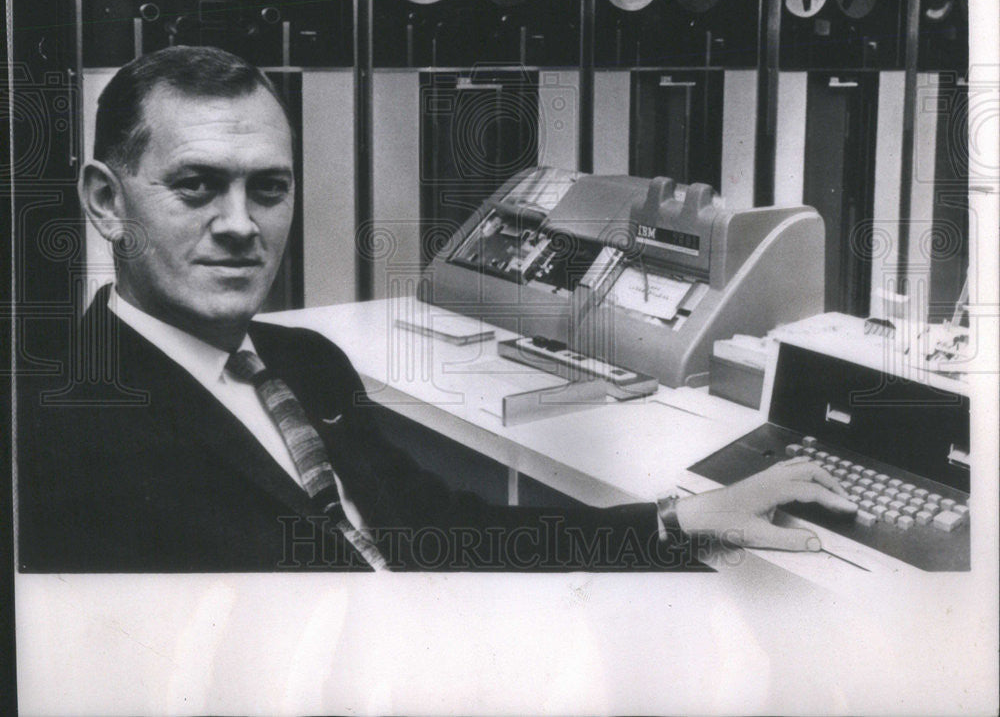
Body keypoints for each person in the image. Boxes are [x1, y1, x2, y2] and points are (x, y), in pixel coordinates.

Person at [17, 46, 856, 573]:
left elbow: (448, 535)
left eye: (268, 189)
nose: (241, 226)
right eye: (196, 185)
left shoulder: (304, 362)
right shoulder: (53, 431)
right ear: (105, 200)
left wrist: (680, 521)